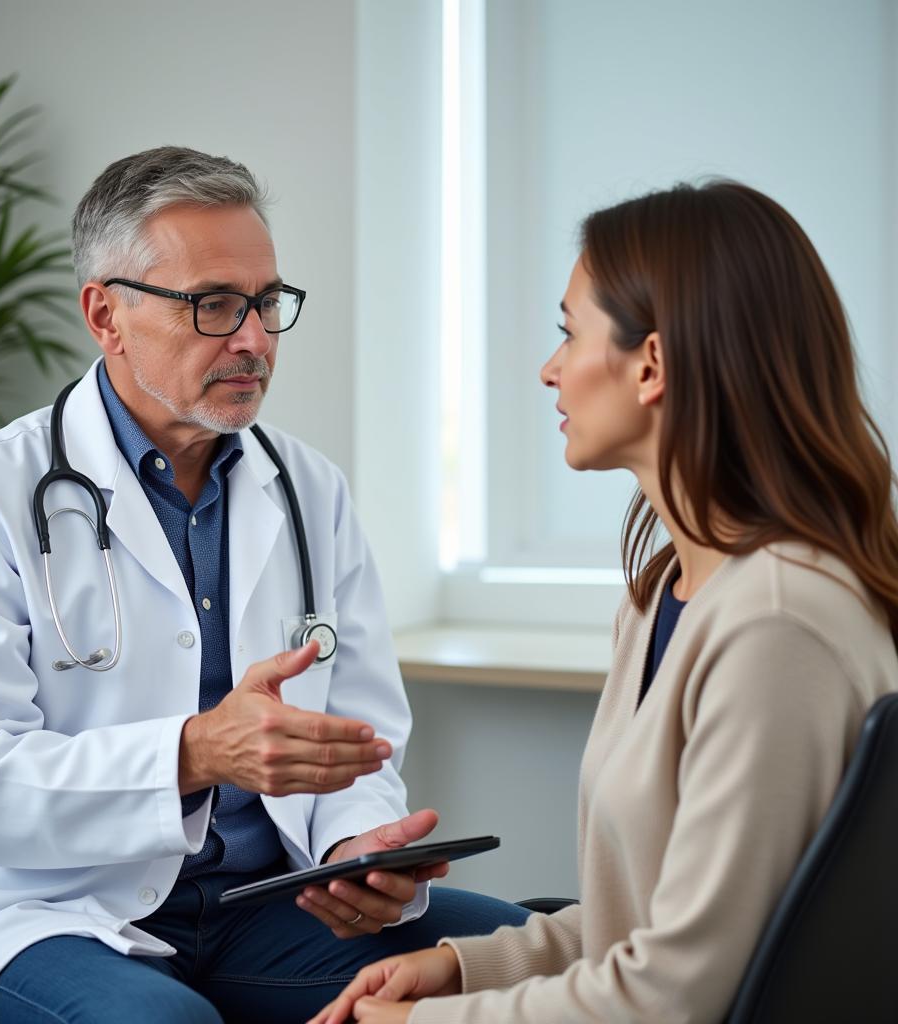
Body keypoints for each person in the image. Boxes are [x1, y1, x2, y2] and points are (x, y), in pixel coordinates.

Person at [0, 147, 527, 1024]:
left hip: (269, 903)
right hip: (44, 914)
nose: (254, 338)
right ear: (106, 315)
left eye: (266, 303)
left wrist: (356, 846)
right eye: (213, 305)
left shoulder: (309, 491)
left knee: (510, 960)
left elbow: (359, 736)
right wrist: (192, 753)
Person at [310, 180, 898, 1024]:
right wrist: (459, 971)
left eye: (567, 332)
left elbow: (678, 993)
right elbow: (654, 928)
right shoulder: (666, 590)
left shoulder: (776, 624)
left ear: (651, 365)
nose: (550, 369)